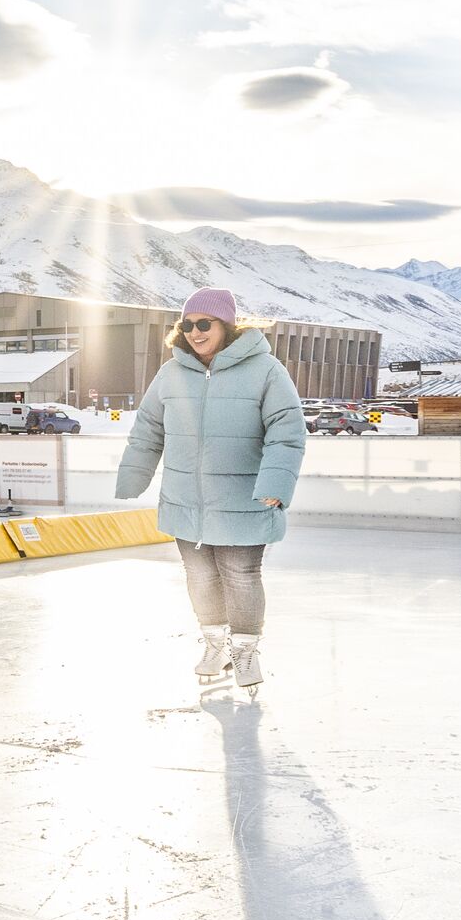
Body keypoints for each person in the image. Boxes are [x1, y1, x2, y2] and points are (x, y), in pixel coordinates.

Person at [115, 288, 303, 691]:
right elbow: (148, 429)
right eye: (188, 324)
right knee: (200, 577)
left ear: (227, 326)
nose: (196, 332)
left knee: (241, 575)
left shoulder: (265, 370)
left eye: (205, 324)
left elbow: (286, 433)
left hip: (244, 498)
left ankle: (246, 650)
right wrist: (133, 476)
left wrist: (275, 483)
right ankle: (215, 645)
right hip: (187, 499)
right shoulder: (171, 373)